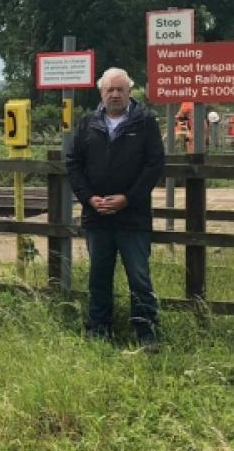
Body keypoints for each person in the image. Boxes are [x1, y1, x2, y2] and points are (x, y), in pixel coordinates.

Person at [66, 67, 165, 347]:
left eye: (120, 89)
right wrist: (88, 198)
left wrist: (128, 198)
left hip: (133, 217)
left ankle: (147, 333)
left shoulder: (145, 122)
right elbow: (73, 163)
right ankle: (98, 330)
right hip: (97, 217)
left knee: (139, 277)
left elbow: (154, 165)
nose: (115, 94)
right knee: (98, 277)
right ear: (101, 92)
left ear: (129, 91)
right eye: (110, 89)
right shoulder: (87, 124)